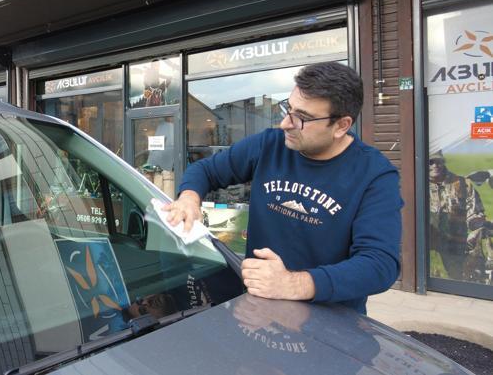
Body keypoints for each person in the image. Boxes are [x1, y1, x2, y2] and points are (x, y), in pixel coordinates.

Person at [162, 62, 403, 314]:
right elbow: (206, 170)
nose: (286, 123)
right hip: (257, 311)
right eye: (288, 109)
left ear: (341, 126)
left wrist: (293, 283)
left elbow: (379, 264)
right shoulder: (269, 145)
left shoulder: (374, 175)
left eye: (303, 118)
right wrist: (189, 197)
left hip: (330, 323)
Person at [428, 150, 489, 282]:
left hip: (457, 245)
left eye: (438, 161)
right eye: (430, 162)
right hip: (427, 247)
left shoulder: (462, 183)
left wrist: (476, 226)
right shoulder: (417, 184)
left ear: (443, 162)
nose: (435, 165)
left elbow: (475, 213)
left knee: (462, 279)